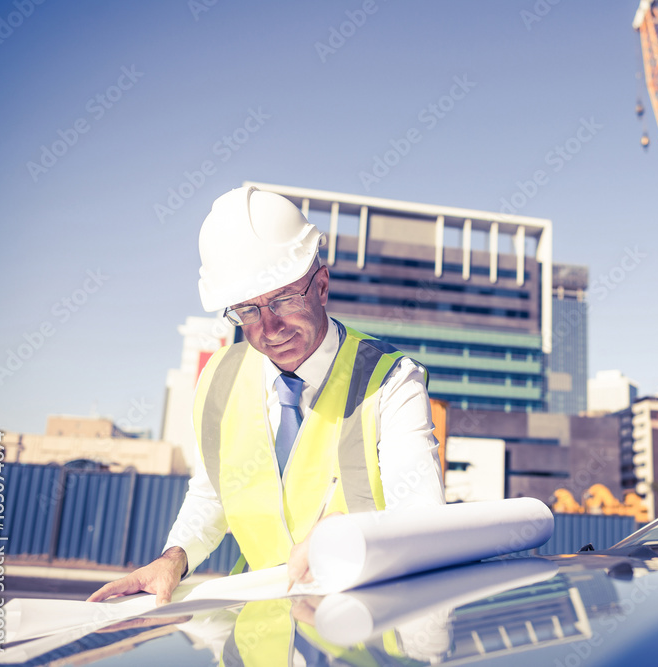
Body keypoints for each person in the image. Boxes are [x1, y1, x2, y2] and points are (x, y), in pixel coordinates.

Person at [90, 186, 445, 604]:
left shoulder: (390, 379)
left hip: (359, 620)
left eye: (283, 300)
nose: (269, 327)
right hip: (261, 627)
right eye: (248, 311)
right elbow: (211, 494)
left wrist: (342, 540)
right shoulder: (219, 378)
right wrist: (175, 557)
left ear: (322, 286)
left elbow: (422, 515)